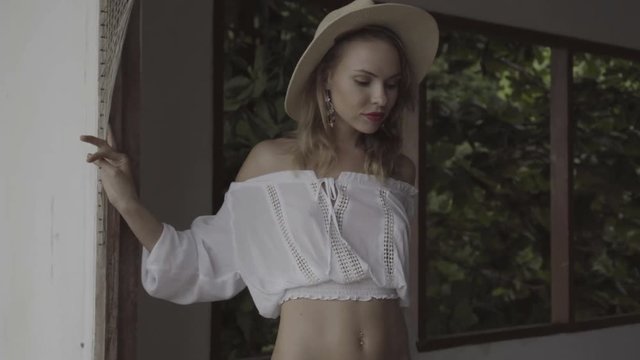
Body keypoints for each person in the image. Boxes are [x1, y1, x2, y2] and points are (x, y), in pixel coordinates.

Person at [80, 0, 438, 358]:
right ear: (327, 76)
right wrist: (127, 202)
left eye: (391, 85)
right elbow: (200, 260)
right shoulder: (271, 163)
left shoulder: (398, 171)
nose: (380, 98)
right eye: (363, 80)